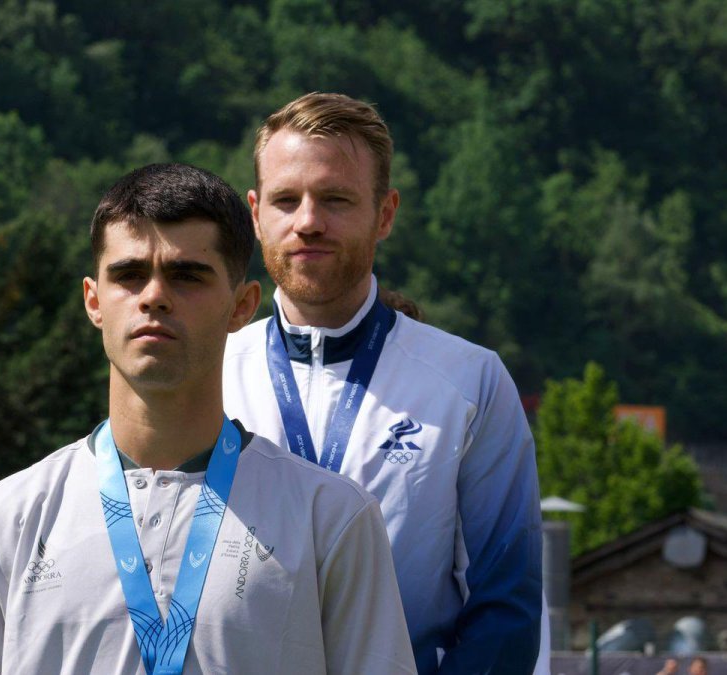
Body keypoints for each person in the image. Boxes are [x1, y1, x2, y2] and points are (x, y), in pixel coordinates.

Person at [0, 163, 416, 674]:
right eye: (130, 275)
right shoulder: (4, 520)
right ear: (94, 301)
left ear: (242, 306)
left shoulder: (332, 519)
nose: (154, 295)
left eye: (187, 276)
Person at [223, 91, 544, 674]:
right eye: (286, 200)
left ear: (386, 213)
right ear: (254, 213)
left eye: (337, 200)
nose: (308, 222)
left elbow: (506, 609)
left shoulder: (470, 381)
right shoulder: (207, 375)